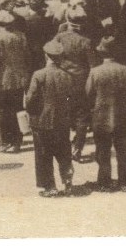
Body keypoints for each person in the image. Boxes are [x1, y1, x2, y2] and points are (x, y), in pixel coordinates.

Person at [24, 40, 75, 197]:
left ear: (46, 55)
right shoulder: (67, 75)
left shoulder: (39, 75)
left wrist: (30, 110)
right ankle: (68, 182)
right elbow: (71, 99)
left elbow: (30, 99)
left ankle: (50, 187)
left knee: (43, 155)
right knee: (64, 153)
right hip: (62, 121)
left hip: (42, 121)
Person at [86, 37, 126, 192]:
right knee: (123, 150)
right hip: (123, 115)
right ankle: (125, 182)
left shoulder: (95, 72)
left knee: (103, 151)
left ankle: (104, 182)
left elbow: (88, 93)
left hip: (101, 117)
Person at [53, 6, 98, 163]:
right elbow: (93, 67)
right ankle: (77, 148)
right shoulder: (86, 41)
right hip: (81, 83)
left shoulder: (59, 38)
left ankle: (63, 149)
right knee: (81, 117)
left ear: (67, 20)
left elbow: (51, 58)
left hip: (61, 81)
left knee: (63, 115)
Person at [0, 9, 30, 153]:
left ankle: (5, 141)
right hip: (19, 77)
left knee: (2, 110)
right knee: (17, 109)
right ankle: (17, 141)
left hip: (2, 80)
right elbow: (27, 56)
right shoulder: (21, 36)